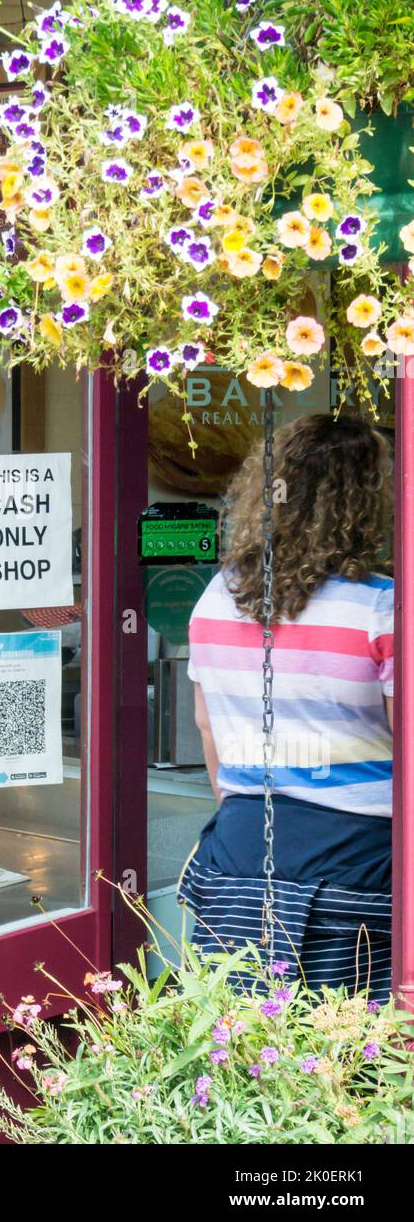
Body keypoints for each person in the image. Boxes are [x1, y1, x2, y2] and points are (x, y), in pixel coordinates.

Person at [179, 413, 395, 1001]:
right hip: (361, 861)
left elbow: (206, 725)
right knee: (354, 1058)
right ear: (365, 502)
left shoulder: (219, 595)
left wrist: (242, 807)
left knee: (242, 1047)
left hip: (240, 849)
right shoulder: (381, 610)